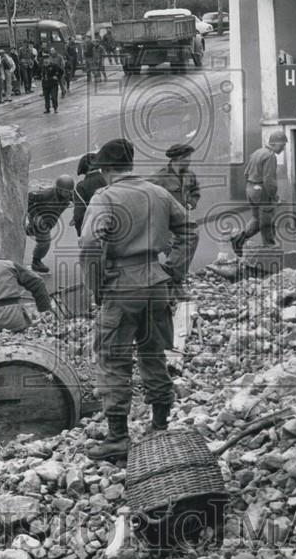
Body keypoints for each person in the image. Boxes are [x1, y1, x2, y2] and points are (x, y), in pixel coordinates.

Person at [79, 138, 196, 462]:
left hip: (122, 287)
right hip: (156, 283)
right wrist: (172, 269)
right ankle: (160, 427)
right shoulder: (158, 192)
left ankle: (118, 438)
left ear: (104, 170)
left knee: (113, 360)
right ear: (129, 165)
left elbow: (89, 243)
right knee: (153, 353)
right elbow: (190, 230)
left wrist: (96, 285)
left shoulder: (105, 197)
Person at [230, 131, 287, 258]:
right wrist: (274, 196)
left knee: (256, 219)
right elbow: (269, 180)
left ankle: (238, 240)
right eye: (282, 145)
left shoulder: (257, 152)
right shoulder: (270, 156)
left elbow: (245, 173)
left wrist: (253, 186)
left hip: (251, 188)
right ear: (276, 143)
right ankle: (270, 250)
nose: (283, 148)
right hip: (262, 191)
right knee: (267, 221)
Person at [150, 144, 201, 276]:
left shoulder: (190, 175)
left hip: (182, 218)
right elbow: (147, 195)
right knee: (171, 247)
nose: (190, 160)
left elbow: (195, 190)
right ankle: (173, 276)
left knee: (182, 246)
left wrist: (192, 201)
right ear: (179, 158)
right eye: (187, 157)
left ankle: (174, 275)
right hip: (165, 220)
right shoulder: (160, 177)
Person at [26, 175, 74, 273]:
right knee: (45, 241)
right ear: (58, 189)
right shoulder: (47, 194)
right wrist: (36, 216)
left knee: (33, 232)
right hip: (39, 216)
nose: (66, 194)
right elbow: (28, 198)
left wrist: (77, 215)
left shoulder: (70, 195)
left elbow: (80, 203)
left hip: (50, 220)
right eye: (64, 191)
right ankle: (36, 262)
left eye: (68, 191)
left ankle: (23, 229)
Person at [71, 153, 107, 237]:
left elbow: (79, 216)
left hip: (97, 232)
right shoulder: (109, 178)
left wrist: (80, 235)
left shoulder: (81, 187)